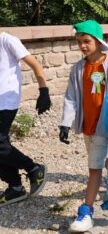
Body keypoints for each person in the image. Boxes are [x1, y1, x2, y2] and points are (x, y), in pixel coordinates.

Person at [60, 20, 108, 232]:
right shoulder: (78, 69)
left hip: (106, 127)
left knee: (94, 169)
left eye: (86, 41)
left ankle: (86, 212)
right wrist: (65, 123)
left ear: (98, 41)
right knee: (107, 161)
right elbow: (71, 97)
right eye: (79, 41)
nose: (82, 45)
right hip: (88, 127)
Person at [0, 32, 50, 208]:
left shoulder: (7, 40)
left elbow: (34, 64)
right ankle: (15, 186)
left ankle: (34, 168)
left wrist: (43, 90)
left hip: (5, 102)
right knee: (2, 143)